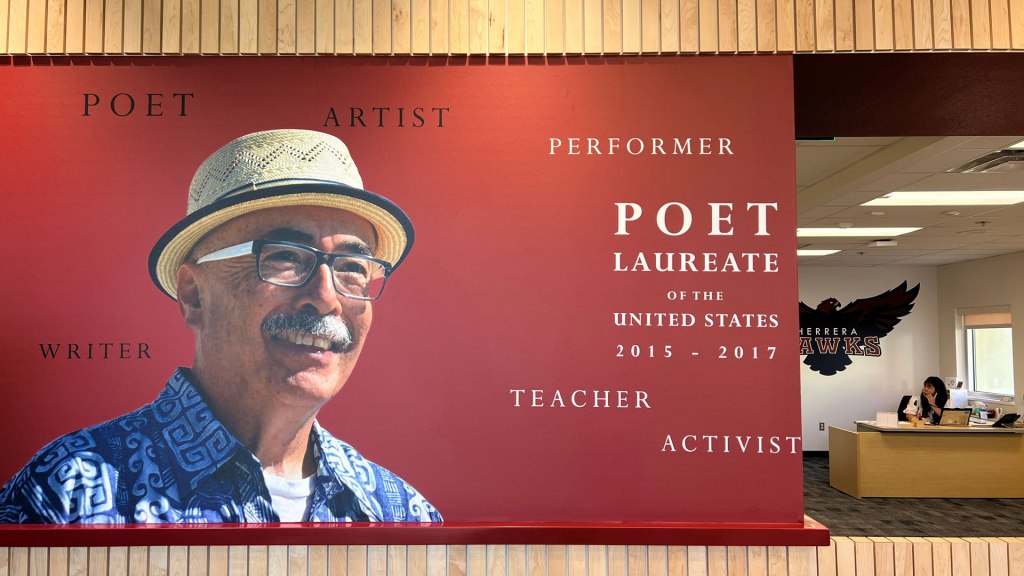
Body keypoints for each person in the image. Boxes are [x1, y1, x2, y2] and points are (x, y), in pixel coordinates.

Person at [0, 129, 442, 524]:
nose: (326, 297)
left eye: (352, 267)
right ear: (194, 294)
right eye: (284, 256)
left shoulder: (400, 516)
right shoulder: (67, 497)